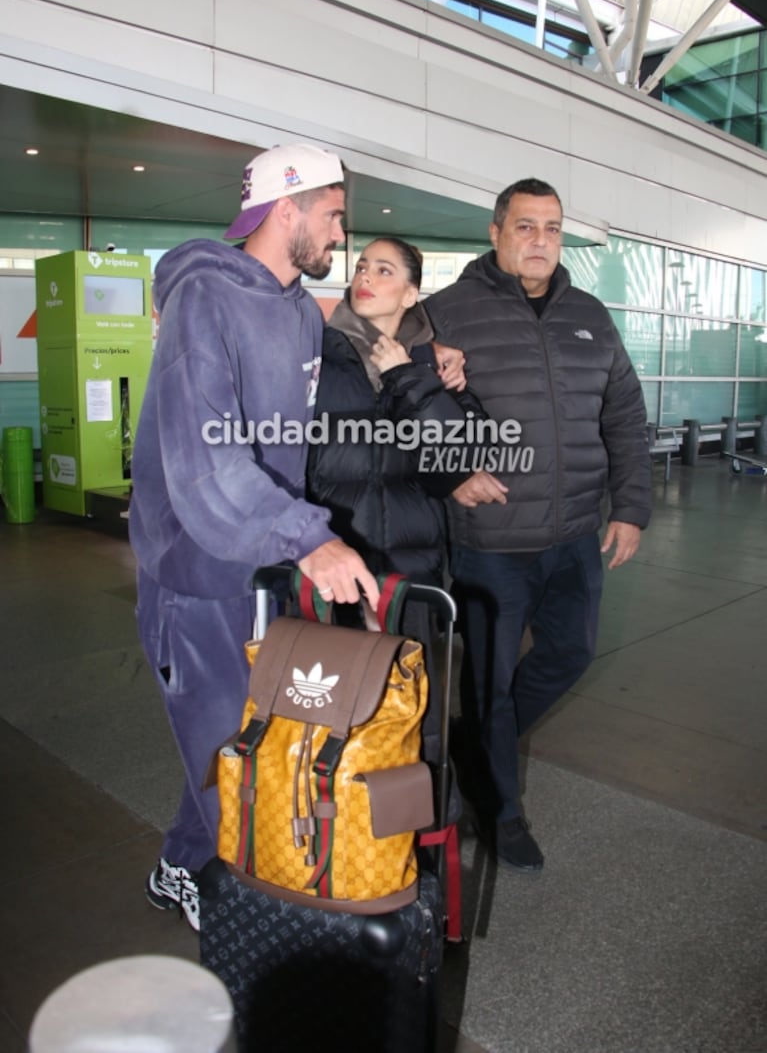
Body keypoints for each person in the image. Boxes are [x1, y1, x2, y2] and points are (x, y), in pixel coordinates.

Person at [129, 143, 379, 931]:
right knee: (225, 748)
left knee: (241, 736)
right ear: (288, 209)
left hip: (257, 568)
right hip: (194, 572)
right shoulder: (205, 299)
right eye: (334, 216)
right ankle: (220, 891)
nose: (341, 234)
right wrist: (309, 538)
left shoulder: (298, 309)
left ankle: (176, 864)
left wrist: (425, 351)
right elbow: (206, 467)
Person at [425, 177, 652, 871]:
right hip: (491, 542)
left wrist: (631, 507)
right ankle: (501, 810)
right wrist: (447, 472)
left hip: (576, 532)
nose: (539, 240)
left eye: (550, 227)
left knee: (569, 654)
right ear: (495, 232)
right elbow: (401, 411)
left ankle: (476, 746)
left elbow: (623, 414)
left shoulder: (588, 314)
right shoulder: (442, 312)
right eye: (524, 226)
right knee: (488, 682)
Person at [306, 237, 480, 800]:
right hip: (335, 565)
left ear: (410, 291)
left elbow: (456, 456)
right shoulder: (317, 355)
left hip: (411, 570)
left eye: (384, 270)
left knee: (413, 706)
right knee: (330, 707)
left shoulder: (433, 366)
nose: (366, 277)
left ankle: (416, 836)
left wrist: (410, 375)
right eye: (361, 267)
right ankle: (332, 836)